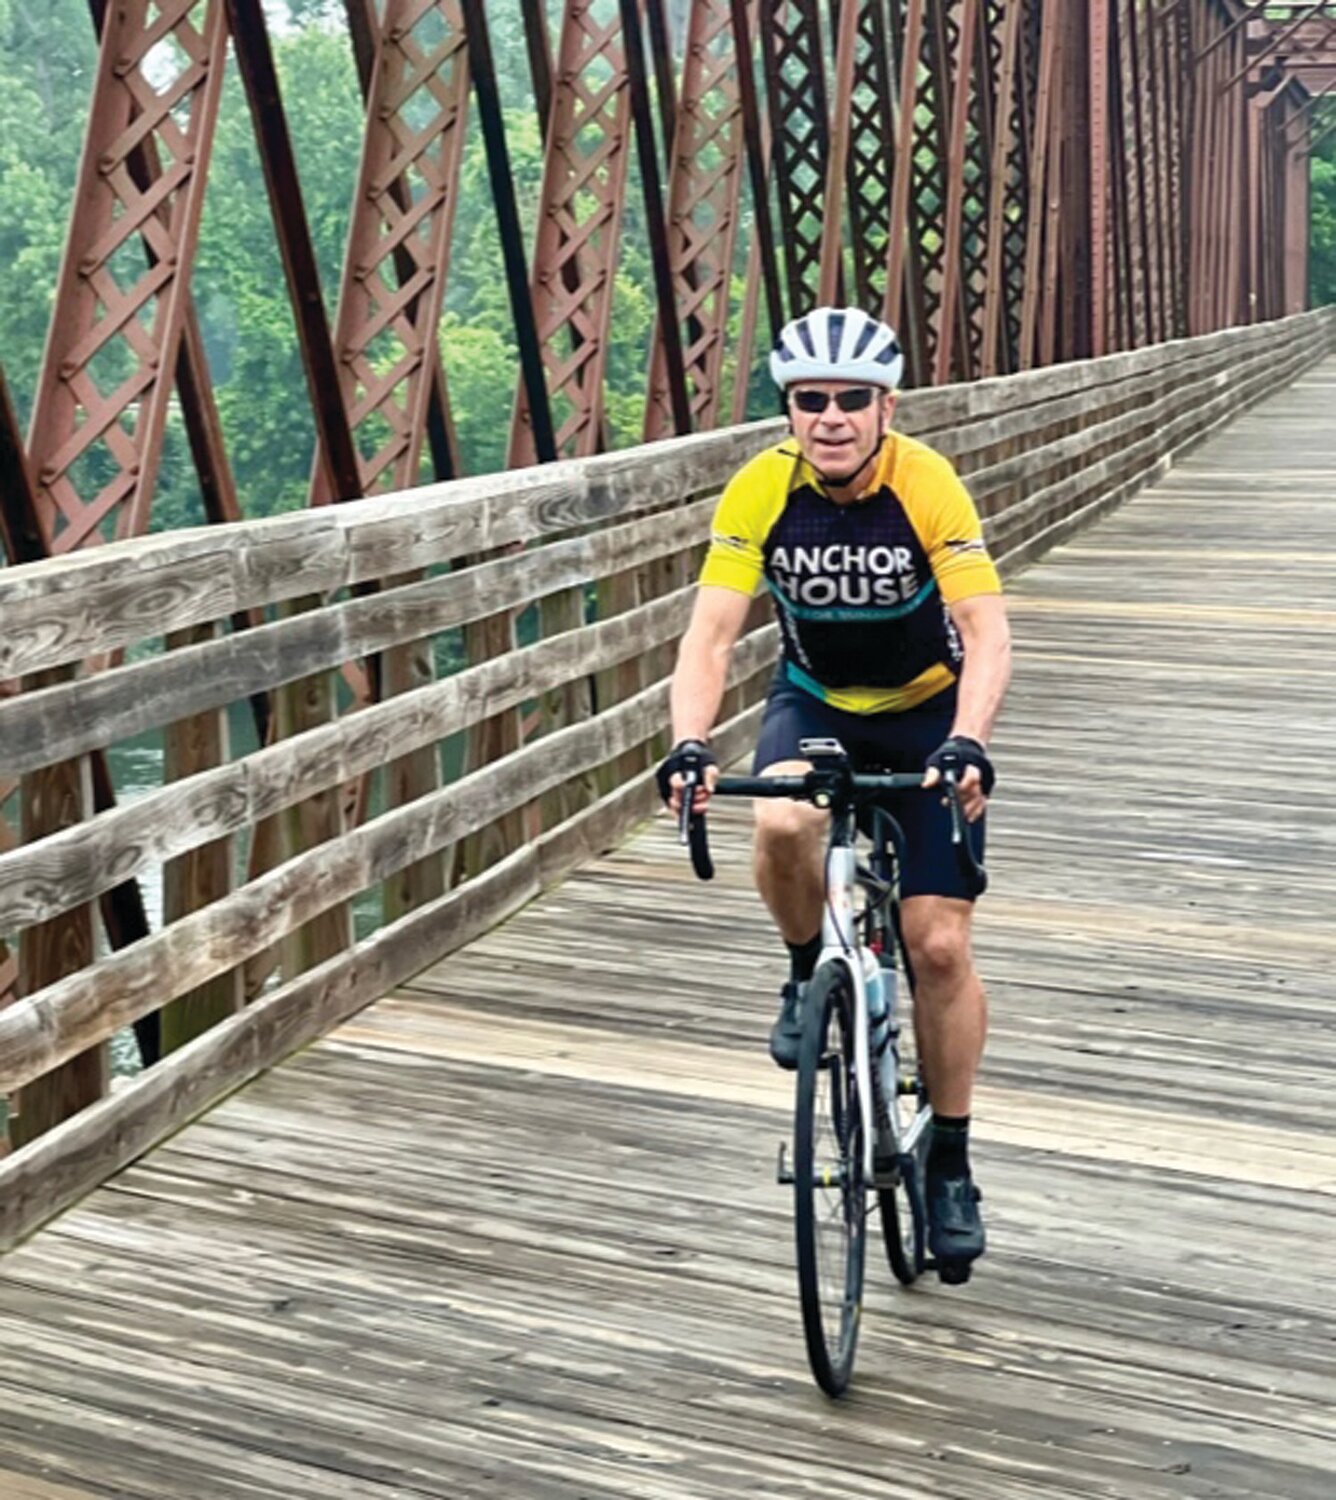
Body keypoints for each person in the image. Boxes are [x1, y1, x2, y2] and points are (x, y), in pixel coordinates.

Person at [655, 306, 1011, 1271]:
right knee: (777, 819)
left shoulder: (927, 484)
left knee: (937, 945)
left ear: (887, 407)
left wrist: (968, 744)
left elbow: (986, 631)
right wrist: (690, 744)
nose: (833, 418)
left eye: (854, 400)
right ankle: (808, 965)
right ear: (790, 412)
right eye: (811, 401)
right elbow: (711, 636)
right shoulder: (761, 490)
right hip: (814, 700)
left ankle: (950, 1159)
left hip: (924, 713)